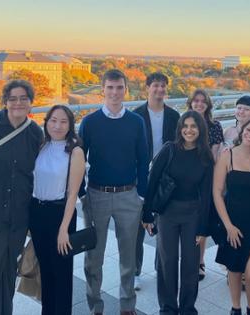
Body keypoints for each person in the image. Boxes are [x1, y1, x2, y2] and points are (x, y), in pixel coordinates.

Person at [79, 69, 149, 315]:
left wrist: (141, 195)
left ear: (126, 90)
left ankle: (127, 305)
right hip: (97, 194)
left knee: (127, 256)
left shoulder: (136, 122)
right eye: (110, 87)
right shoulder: (89, 122)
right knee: (93, 257)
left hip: (128, 196)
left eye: (119, 87)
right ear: (102, 90)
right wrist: (82, 193)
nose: (115, 92)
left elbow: (144, 159)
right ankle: (95, 306)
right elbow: (78, 159)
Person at [0, 80, 44, 315]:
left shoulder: (35, 133)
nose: (18, 103)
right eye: (13, 98)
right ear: (5, 101)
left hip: (18, 215)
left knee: (8, 268)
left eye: (24, 98)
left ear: (31, 103)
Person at [142, 111, 214, 315]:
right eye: (185, 126)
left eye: (194, 126)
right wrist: (147, 214)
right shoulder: (169, 149)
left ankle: (188, 307)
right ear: (180, 128)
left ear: (201, 130)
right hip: (167, 213)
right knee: (168, 260)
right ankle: (168, 307)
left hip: (193, 213)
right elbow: (153, 181)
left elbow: (207, 193)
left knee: (191, 264)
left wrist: (203, 227)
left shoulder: (205, 155)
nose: (189, 130)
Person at [29, 105, 86, 315]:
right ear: (46, 122)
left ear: (70, 125)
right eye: (53, 120)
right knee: (45, 271)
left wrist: (64, 229)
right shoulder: (41, 145)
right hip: (37, 212)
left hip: (60, 214)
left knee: (61, 274)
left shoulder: (75, 151)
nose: (57, 126)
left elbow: (73, 194)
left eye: (63, 121)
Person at [213, 118, 250, 315]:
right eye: (249, 130)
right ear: (242, 130)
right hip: (233, 222)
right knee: (235, 269)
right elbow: (217, 192)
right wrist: (228, 225)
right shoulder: (227, 156)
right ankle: (236, 308)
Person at [132, 72, 180, 290]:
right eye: (155, 86)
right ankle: (134, 272)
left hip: (165, 178)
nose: (159, 90)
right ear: (147, 88)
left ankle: (161, 269)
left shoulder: (174, 116)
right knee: (137, 227)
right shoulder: (135, 115)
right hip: (141, 176)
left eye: (163, 86)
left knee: (164, 225)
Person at [186, 89, 223, 281]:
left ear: (208, 105)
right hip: (185, 179)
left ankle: (199, 261)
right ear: (190, 103)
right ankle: (187, 260)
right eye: (196, 101)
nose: (199, 104)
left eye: (203, 101)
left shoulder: (214, 126)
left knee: (202, 222)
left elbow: (214, 156)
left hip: (206, 179)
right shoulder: (184, 122)